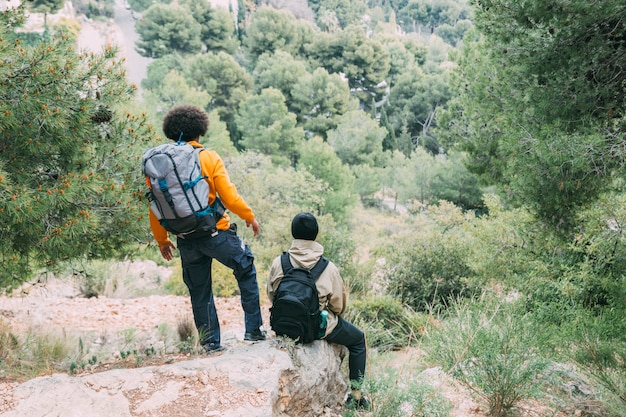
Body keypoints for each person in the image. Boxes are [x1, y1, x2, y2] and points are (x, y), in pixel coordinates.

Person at [147, 104, 265, 354]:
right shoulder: (208, 157)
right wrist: (249, 216)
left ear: (171, 132)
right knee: (245, 267)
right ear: (200, 130)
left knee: (200, 291)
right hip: (216, 234)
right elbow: (230, 197)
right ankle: (253, 330)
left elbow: (154, 204)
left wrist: (162, 240)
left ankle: (211, 344)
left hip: (186, 238)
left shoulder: (160, 165)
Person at [266, 212, 370, 410]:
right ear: (316, 234)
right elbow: (338, 307)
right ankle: (356, 397)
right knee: (358, 340)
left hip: (283, 326)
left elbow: (272, 296)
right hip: (316, 329)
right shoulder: (328, 267)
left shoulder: (279, 262)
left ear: (293, 232)